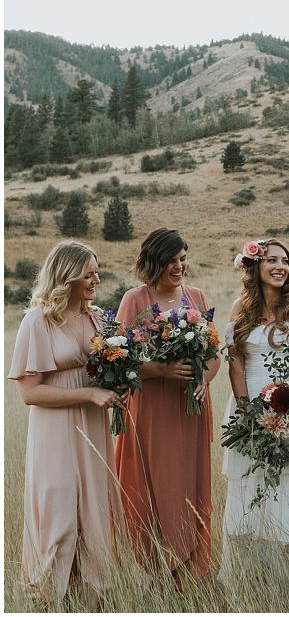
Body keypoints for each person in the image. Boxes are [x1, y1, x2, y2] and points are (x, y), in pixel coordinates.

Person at [8, 240, 125, 606]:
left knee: (94, 517)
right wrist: (88, 395)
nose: (96, 279)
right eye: (88, 273)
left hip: (92, 428)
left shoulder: (99, 319)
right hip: (55, 431)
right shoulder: (38, 319)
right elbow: (30, 393)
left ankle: (90, 603)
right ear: (67, 275)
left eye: (96, 271)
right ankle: (44, 600)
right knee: (59, 519)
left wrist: (117, 381)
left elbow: (108, 370)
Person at [114, 228, 220, 587]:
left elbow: (213, 354)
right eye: (171, 260)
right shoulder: (135, 298)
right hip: (150, 409)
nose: (179, 267)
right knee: (152, 482)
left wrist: (203, 379)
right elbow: (118, 357)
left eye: (183, 259)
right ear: (154, 262)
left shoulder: (197, 297)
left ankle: (188, 570)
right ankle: (150, 566)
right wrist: (161, 369)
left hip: (189, 409)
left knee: (188, 484)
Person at [219, 238, 289, 581]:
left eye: (285, 261)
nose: (281, 266)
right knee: (249, 486)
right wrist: (247, 411)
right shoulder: (241, 308)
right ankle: (250, 579)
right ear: (255, 267)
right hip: (248, 405)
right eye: (272, 260)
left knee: (286, 487)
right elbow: (234, 361)